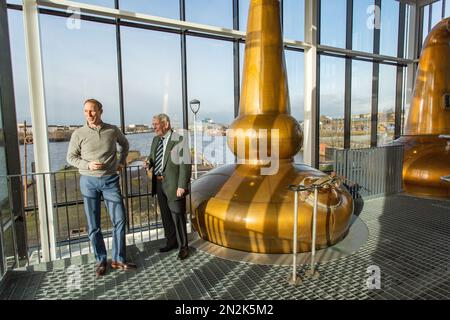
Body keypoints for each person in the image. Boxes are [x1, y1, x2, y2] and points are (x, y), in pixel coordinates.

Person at [67, 98, 136, 276]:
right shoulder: (78, 134)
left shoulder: (112, 130)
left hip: (110, 181)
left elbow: (125, 145)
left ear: (100, 111)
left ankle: (118, 259)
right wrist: (87, 165)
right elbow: (70, 157)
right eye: (85, 111)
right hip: (88, 182)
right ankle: (101, 260)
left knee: (120, 220)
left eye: (92, 110)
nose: (89, 114)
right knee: (93, 225)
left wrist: (121, 162)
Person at [145, 114, 191, 260]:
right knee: (166, 216)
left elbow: (186, 164)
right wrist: (148, 162)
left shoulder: (179, 139)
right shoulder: (155, 140)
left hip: (174, 185)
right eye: (153, 124)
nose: (154, 127)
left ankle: (183, 247)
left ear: (166, 124)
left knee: (178, 215)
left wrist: (182, 185)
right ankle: (171, 242)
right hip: (158, 183)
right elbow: (153, 157)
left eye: (156, 124)